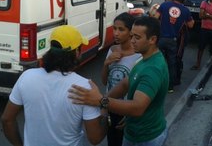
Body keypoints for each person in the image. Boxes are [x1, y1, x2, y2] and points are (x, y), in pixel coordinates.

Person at [69, 16, 169, 146]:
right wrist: (103, 101)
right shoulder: (143, 59)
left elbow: (138, 107)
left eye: (137, 38)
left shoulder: (152, 69)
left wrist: (101, 101)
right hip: (133, 132)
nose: (132, 41)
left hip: (146, 138)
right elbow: (125, 84)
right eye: (132, 36)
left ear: (152, 40)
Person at [1, 25, 107, 146]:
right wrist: (105, 109)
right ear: (76, 52)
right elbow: (95, 138)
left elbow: (7, 119)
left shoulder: (27, 77)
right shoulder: (84, 88)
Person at [101, 12, 141, 146]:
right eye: (114, 28)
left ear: (131, 32)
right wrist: (106, 63)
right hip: (110, 106)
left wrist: (130, 114)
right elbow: (104, 82)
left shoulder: (138, 57)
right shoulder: (112, 50)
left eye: (121, 29)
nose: (116, 33)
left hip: (127, 110)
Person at [154, 0, 194, 92]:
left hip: (161, 38)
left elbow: (155, 18)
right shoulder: (185, 10)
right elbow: (190, 25)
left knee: (158, 61)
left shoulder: (164, 5)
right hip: (173, 40)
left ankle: (156, 84)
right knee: (172, 63)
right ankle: (170, 87)